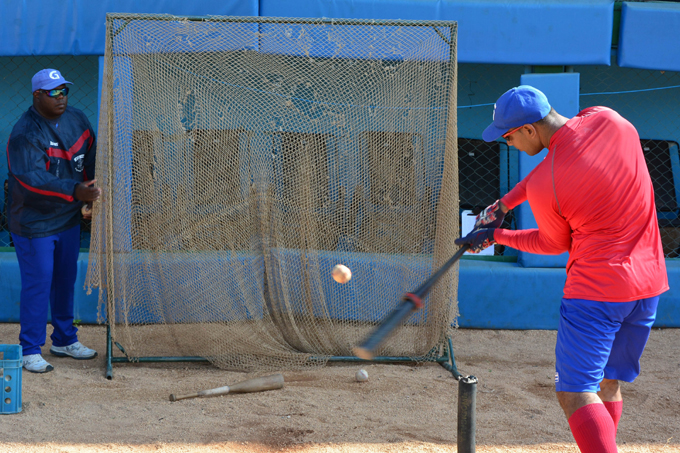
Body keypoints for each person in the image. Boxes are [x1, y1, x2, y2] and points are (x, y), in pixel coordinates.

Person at [455, 86, 668, 452]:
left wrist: (497, 236)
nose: (508, 144)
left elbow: (554, 244)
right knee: (607, 382)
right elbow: (561, 160)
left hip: (596, 292)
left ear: (529, 130)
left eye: (508, 136)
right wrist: (505, 203)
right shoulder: (609, 118)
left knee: (575, 392)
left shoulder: (545, 183)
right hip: (649, 284)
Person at [6, 69, 101, 373]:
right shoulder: (25, 133)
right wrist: (76, 191)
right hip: (35, 223)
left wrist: (89, 191)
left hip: (68, 219)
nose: (61, 98)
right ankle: (30, 349)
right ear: (37, 96)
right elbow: (32, 180)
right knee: (38, 283)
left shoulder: (77, 119)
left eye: (64, 91)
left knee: (64, 280)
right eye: (53, 92)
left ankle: (64, 339)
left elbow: (89, 157)